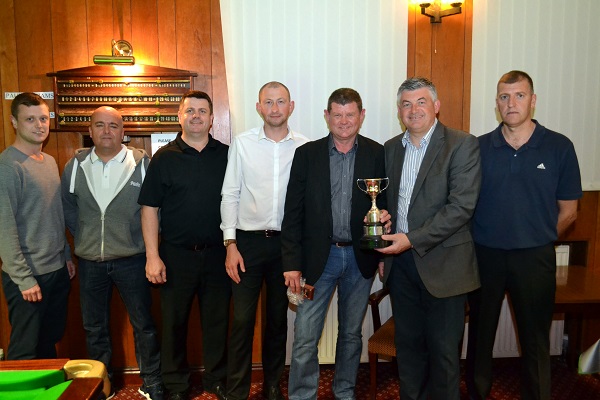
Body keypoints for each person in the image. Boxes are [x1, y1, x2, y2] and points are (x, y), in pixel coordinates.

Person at [466, 70, 582, 400]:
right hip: (484, 257)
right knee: (479, 338)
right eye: (504, 96)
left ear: (533, 100)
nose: (511, 103)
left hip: (535, 259)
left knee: (535, 343)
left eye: (519, 95)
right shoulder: (479, 148)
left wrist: (539, 238)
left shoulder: (559, 146)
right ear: (496, 104)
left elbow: (570, 210)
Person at [376, 77, 482, 400]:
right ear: (399, 111)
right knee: (408, 352)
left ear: (436, 106)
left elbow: (460, 208)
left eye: (421, 102)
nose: (414, 110)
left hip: (445, 267)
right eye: (406, 104)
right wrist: (384, 233)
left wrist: (410, 238)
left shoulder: (462, 144)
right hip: (401, 268)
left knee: (444, 356)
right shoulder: (391, 148)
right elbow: (387, 204)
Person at [282, 88, 386, 400]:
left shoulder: (378, 154)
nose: (343, 121)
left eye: (350, 114)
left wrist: (383, 251)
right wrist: (291, 263)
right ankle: (302, 395)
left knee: (352, 334)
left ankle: (344, 392)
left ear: (361, 116)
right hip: (318, 260)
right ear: (327, 116)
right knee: (304, 337)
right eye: (337, 115)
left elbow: (385, 205)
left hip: (360, 259)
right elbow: (293, 212)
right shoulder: (306, 154)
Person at [61, 106, 163, 400]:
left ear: (123, 132)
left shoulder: (142, 164)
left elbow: (155, 209)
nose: (107, 131)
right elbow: (68, 206)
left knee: (144, 325)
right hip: (90, 261)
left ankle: (152, 382)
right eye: (100, 125)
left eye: (113, 126)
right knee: (94, 327)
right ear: (90, 130)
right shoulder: (75, 166)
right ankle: (101, 384)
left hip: (133, 259)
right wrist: (83, 236)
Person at [139, 91, 231, 400]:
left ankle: (216, 379)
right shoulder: (164, 157)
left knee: (218, 323)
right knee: (174, 324)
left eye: (202, 111)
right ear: (180, 116)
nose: (196, 116)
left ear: (211, 118)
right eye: (189, 110)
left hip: (219, 255)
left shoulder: (228, 155)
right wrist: (153, 256)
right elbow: (149, 208)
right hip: (176, 256)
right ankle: (176, 385)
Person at [220, 82, 309, 400]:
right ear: (259, 107)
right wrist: (230, 244)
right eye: (268, 102)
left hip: (286, 246)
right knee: (242, 320)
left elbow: (309, 203)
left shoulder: (305, 147)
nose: (274, 108)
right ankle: (237, 390)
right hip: (247, 244)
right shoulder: (242, 144)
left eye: (280, 101)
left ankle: (272, 384)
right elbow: (230, 193)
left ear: (291, 106)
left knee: (277, 320)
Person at [0, 92, 75, 360]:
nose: (39, 125)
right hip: (28, 277)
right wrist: (23, 278)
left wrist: (65, 254)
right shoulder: (8, 166)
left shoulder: (50, 161)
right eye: (30, 119)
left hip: (55, 270)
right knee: (24, 351)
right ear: (14, 122)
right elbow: (4, 228)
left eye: (43, 118)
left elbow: (54, 215)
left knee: (49, 342)